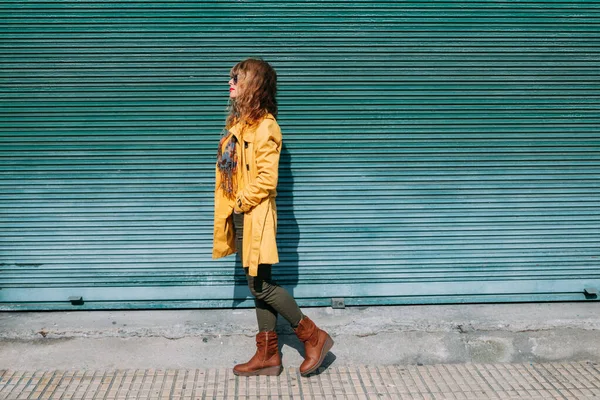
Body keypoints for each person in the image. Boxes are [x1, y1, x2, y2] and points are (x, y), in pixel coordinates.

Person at [212, 58, 334, 377]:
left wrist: (240, 201)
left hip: (255, 214)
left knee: (262, 284)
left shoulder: (266, 126)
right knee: (256, 283)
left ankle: (312, 335)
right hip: (241, 214)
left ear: (252, 84)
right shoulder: (241, 123)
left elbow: (267, 179)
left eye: (236, 78)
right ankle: (267, 355)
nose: (230, 84)